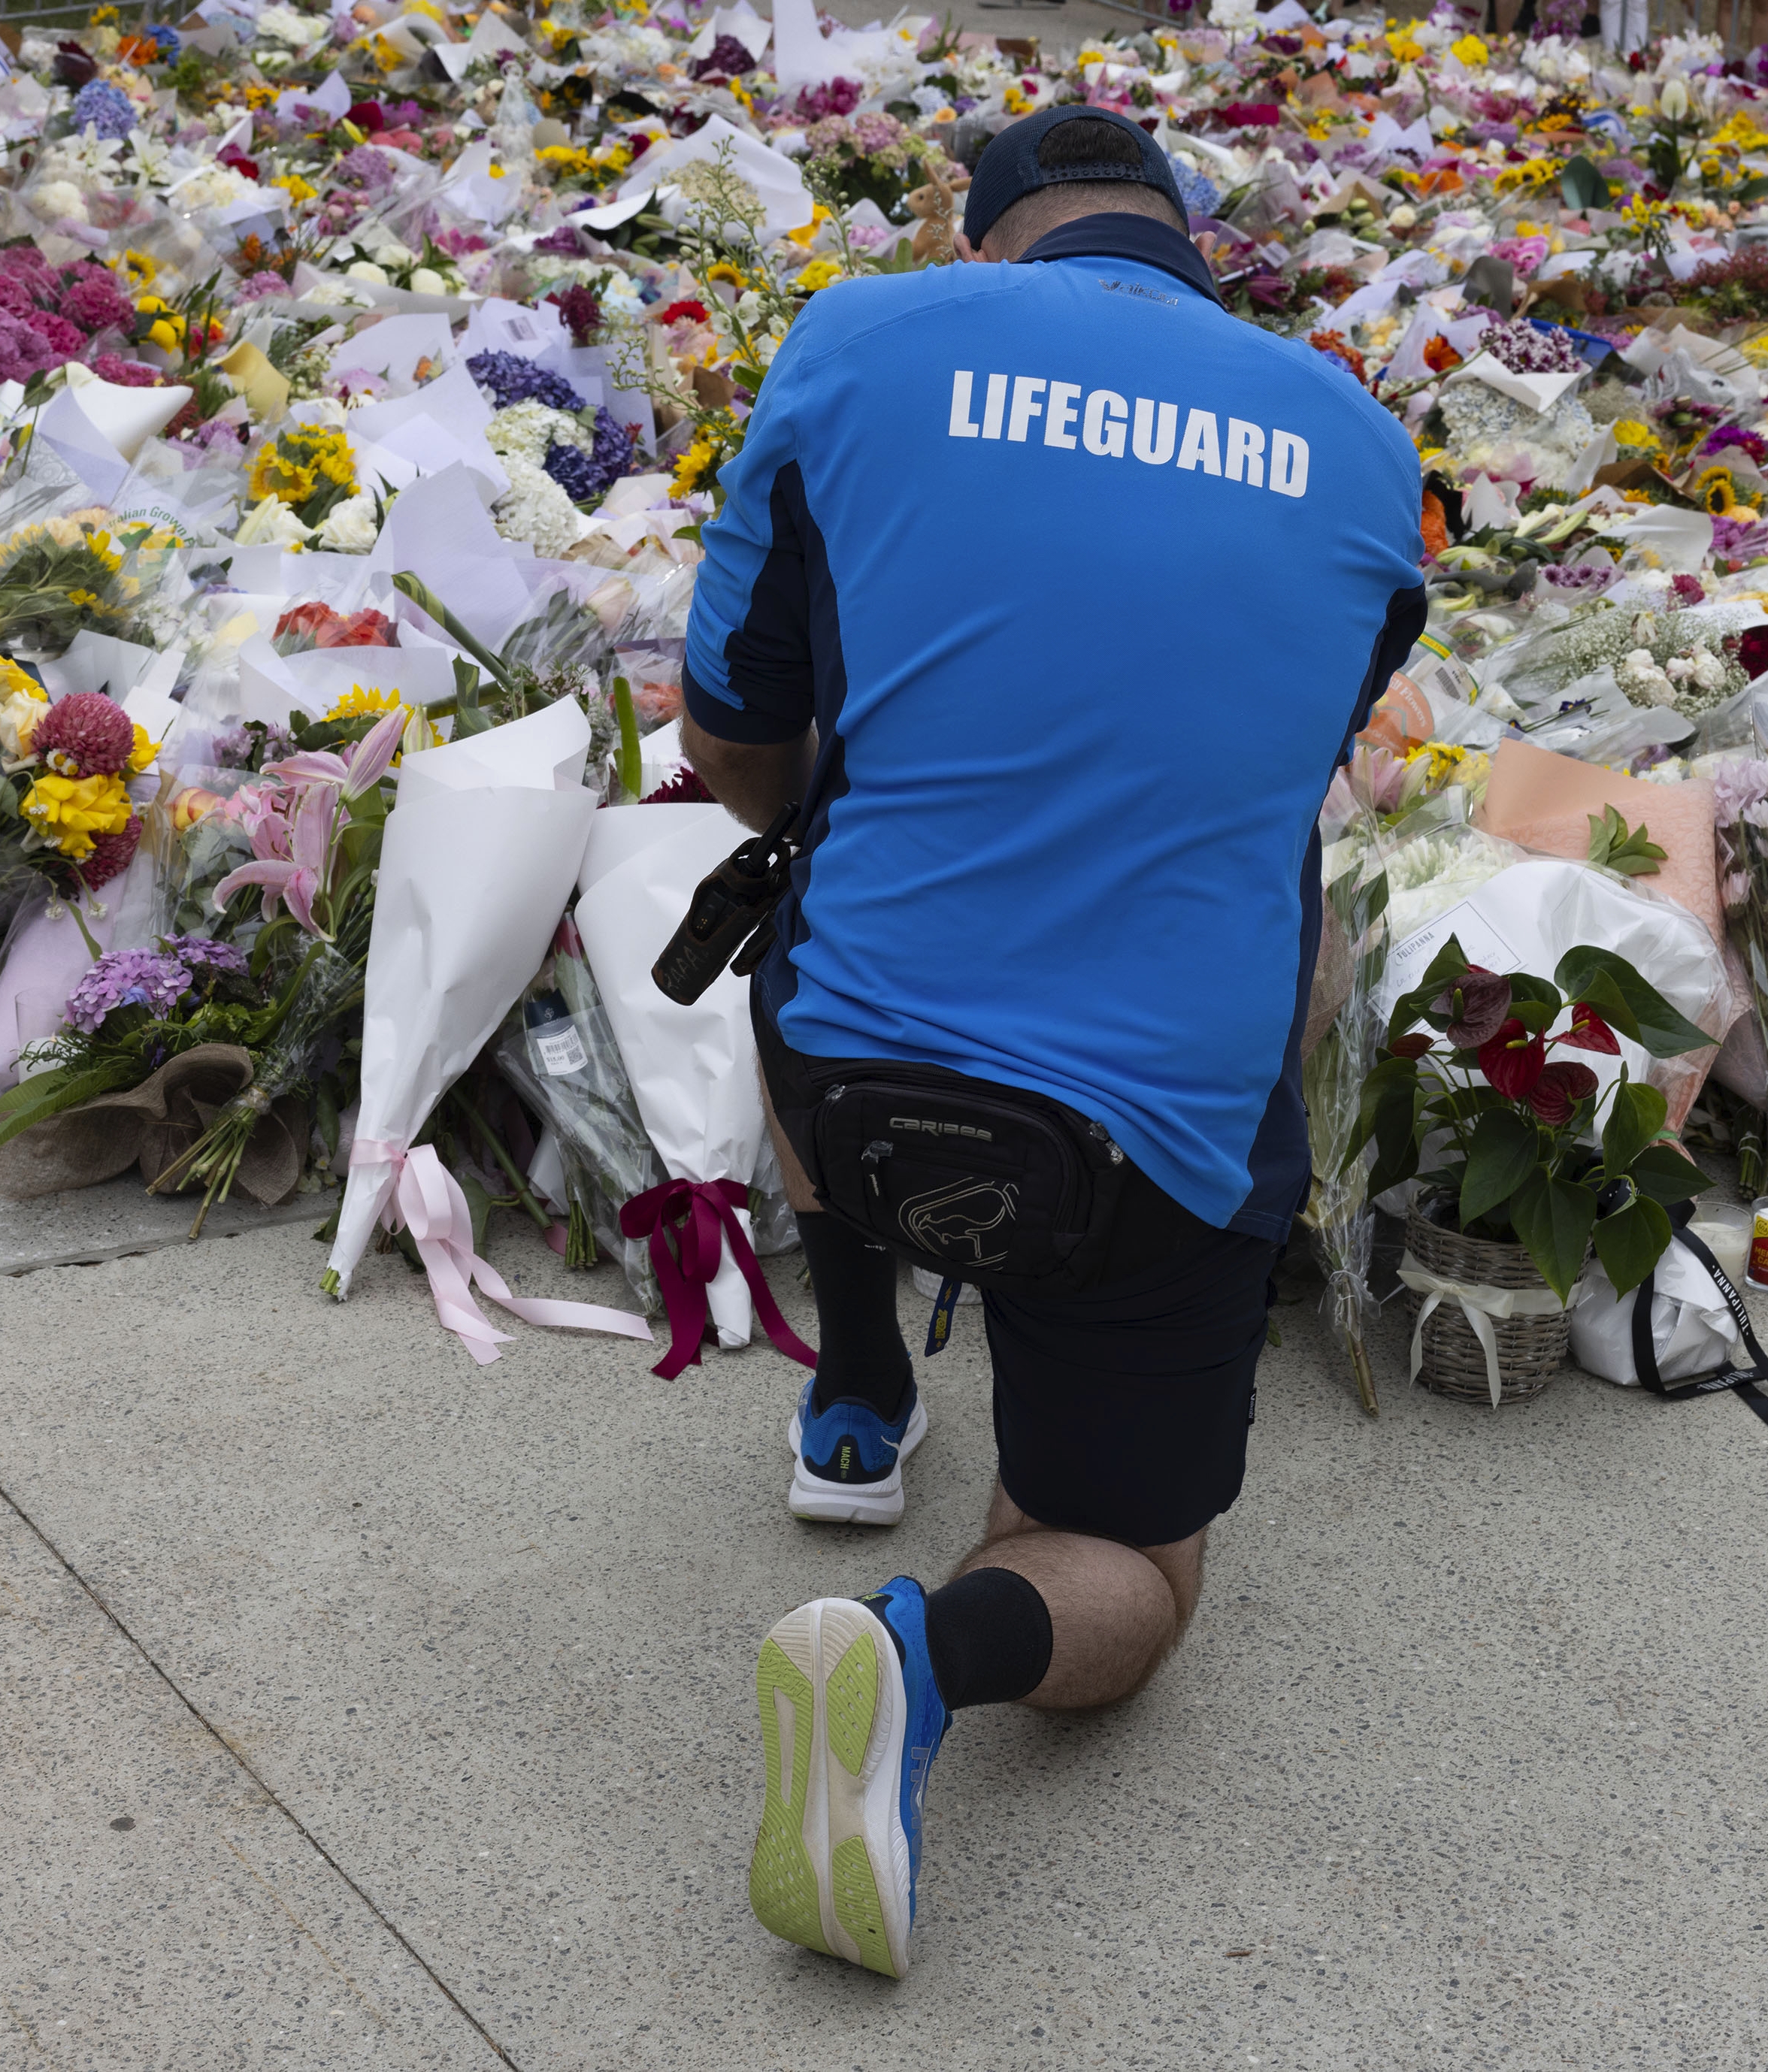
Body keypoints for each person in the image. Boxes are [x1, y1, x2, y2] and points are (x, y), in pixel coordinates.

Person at [677, 105, 1427, 1981]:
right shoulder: (1352, 436)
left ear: (986, 232)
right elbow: (1281, 762)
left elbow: (732, 747)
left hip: (854, 1090)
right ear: (1184, 237)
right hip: (1145, 1143)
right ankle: (928, 1653)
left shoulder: (861, 338)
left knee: (820, 903)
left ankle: (858, 1383)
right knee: (1128, 1566)